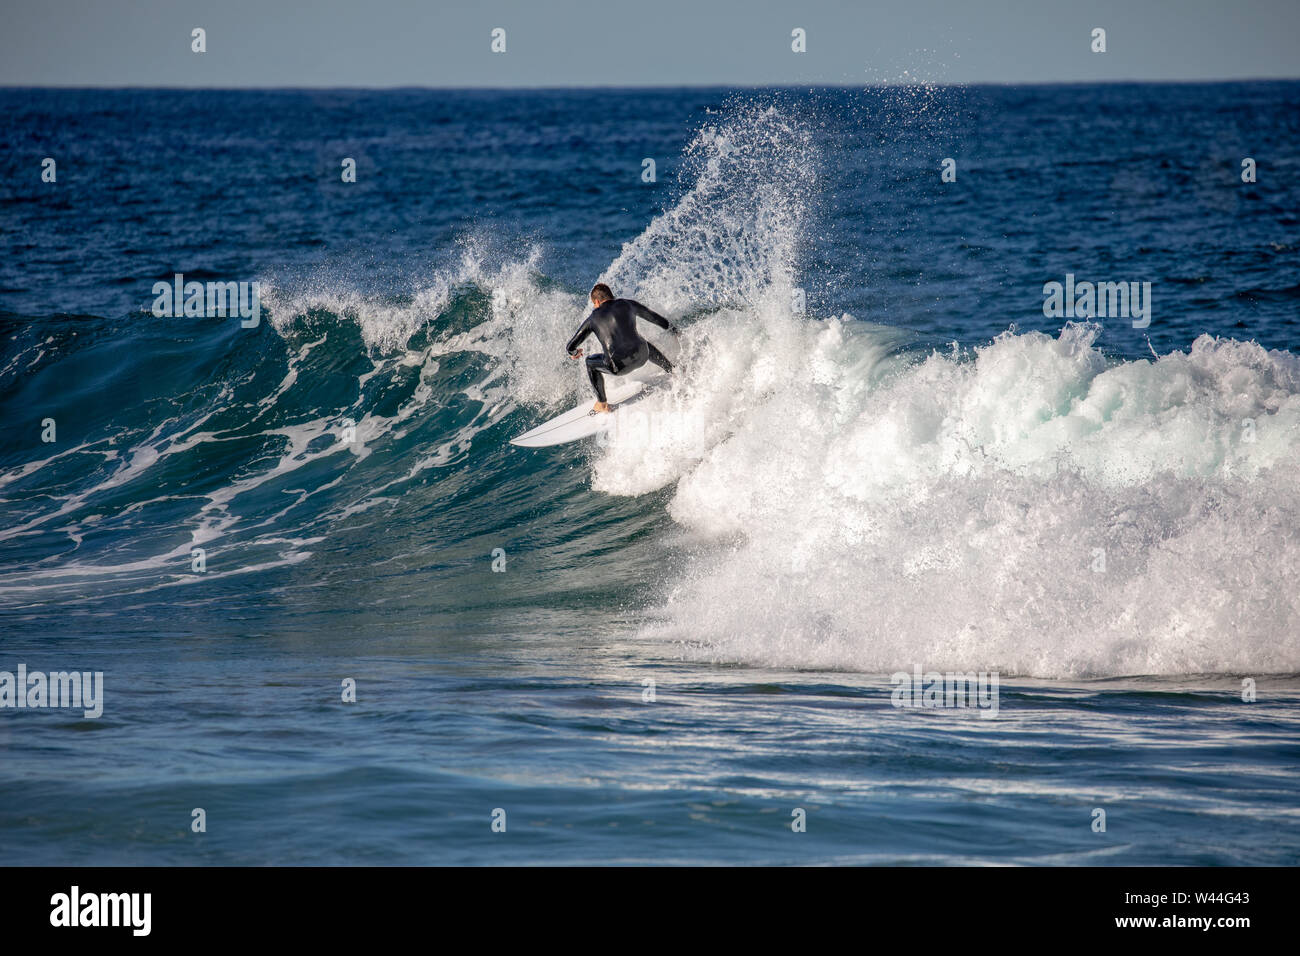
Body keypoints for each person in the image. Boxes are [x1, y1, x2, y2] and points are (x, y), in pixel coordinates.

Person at [566, 283, 679, 412]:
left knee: (589, 362)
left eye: (594, 305)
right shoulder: (628, 304)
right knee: (642, 343)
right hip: (643, 356)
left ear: (597, 302)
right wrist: (674, 330)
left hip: (618, 367)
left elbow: (570, 346)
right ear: (611, 296)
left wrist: (575, 352)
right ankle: (673, 370)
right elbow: (655, 318)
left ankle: (602, 404)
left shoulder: (593, 318)